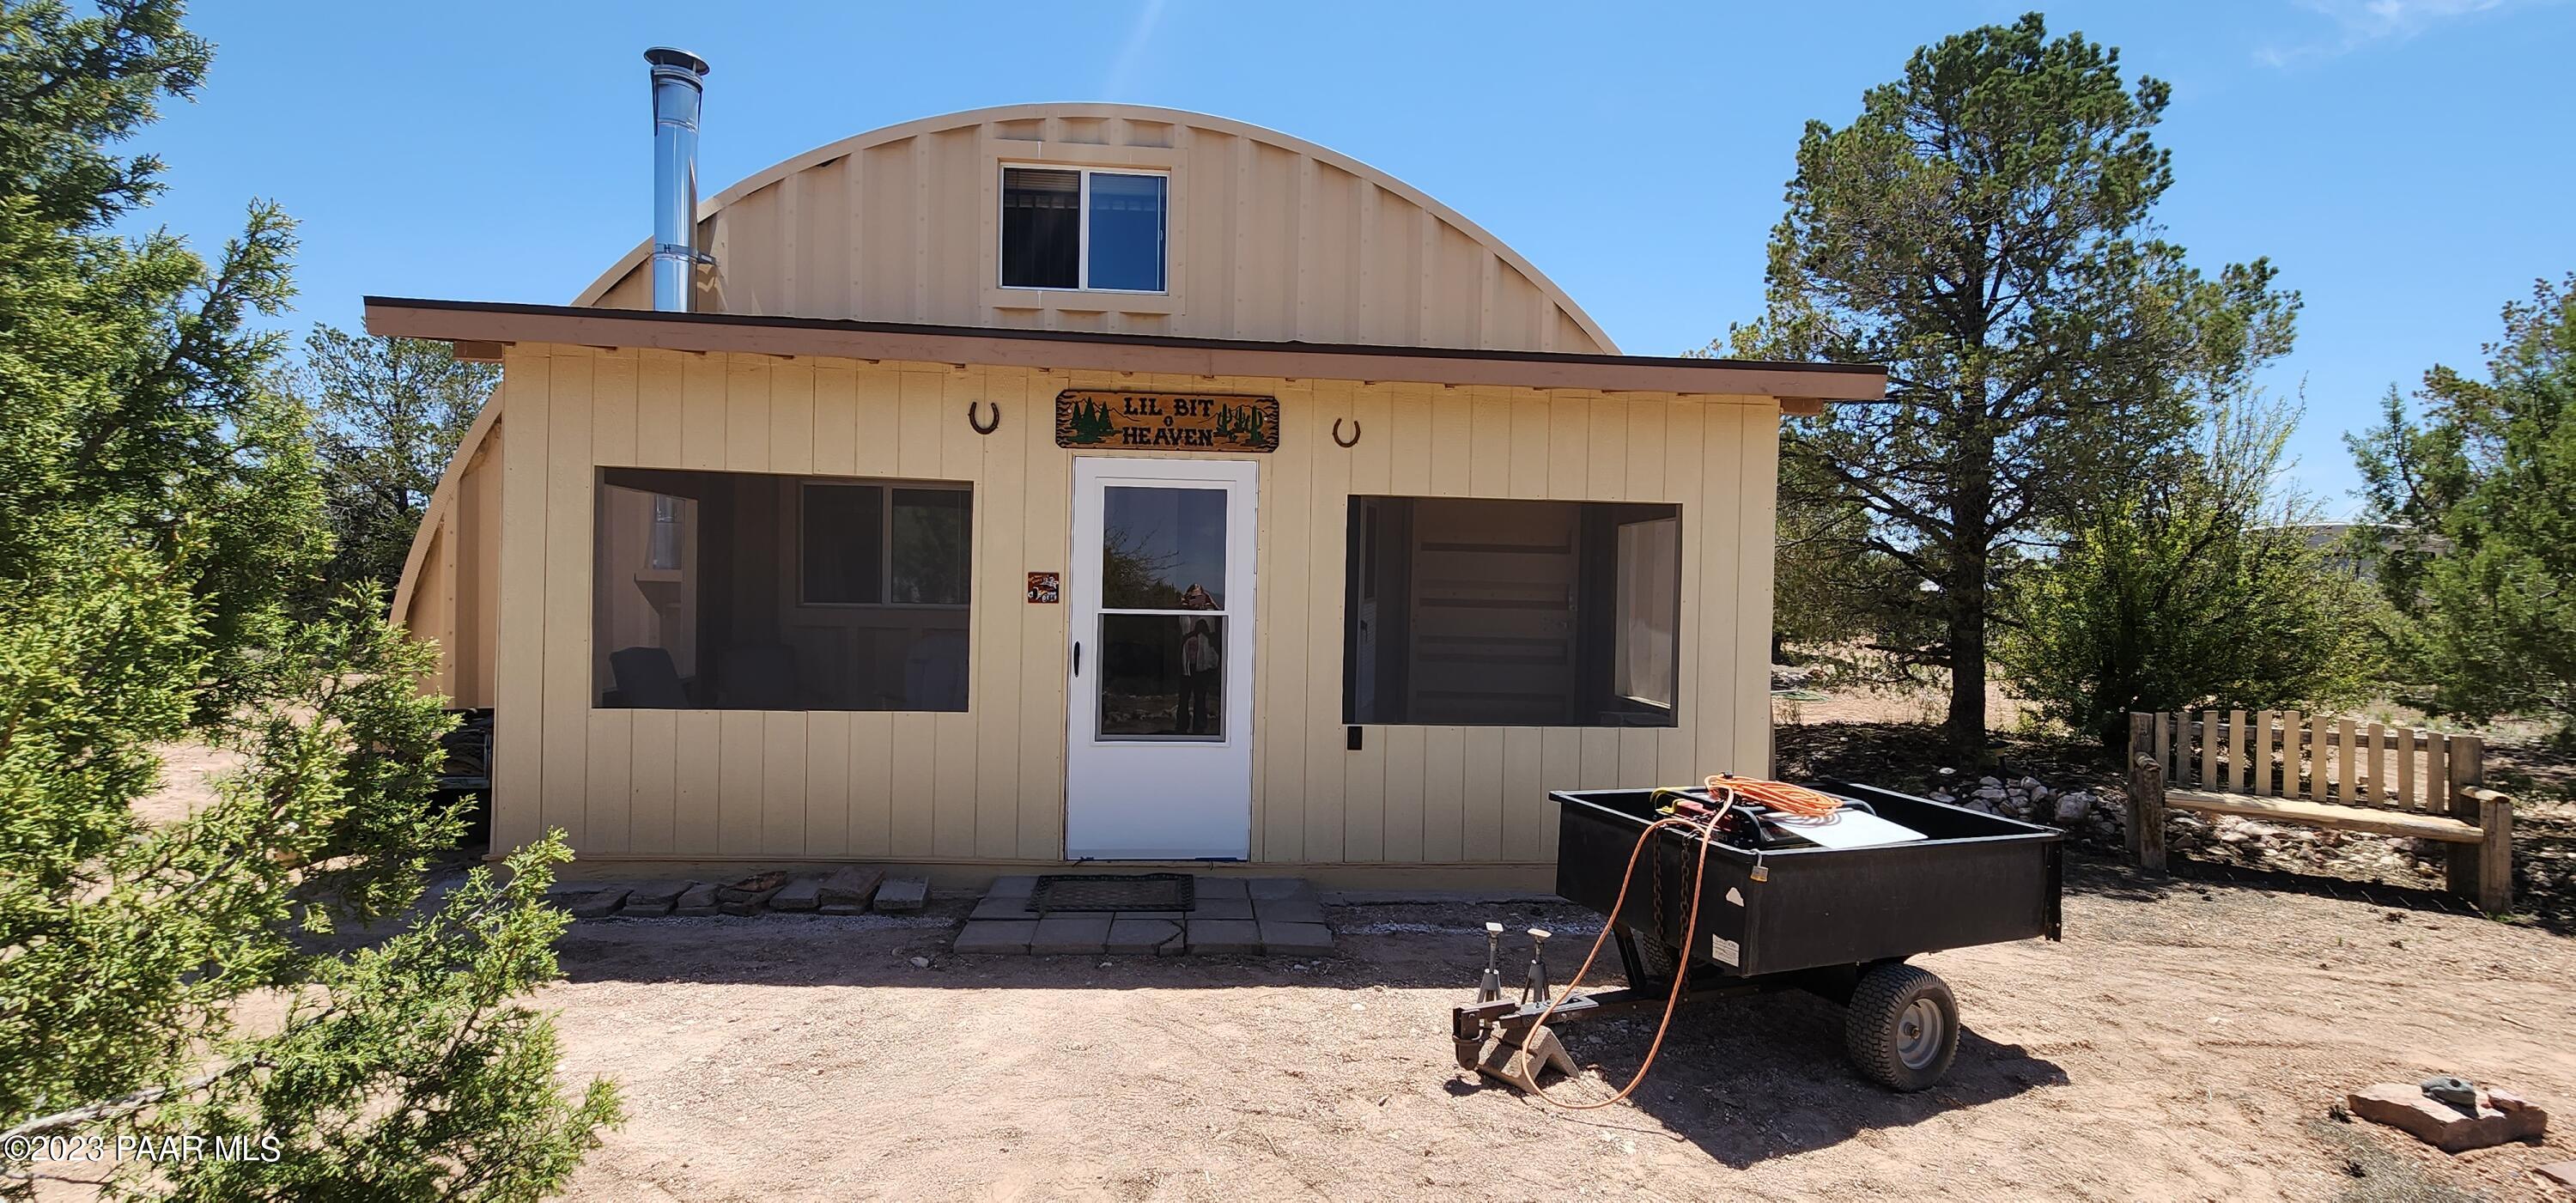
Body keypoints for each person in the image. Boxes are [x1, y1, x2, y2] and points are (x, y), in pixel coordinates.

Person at [1178, 617, 1218, 735]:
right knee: (1184, 697)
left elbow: (1214, 647)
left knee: (1200, 697)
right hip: (1187, 665)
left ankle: (1199, 727)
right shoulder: (1187, 631)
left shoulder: (1207, 636)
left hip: (1202, 667)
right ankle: (1182, 725)